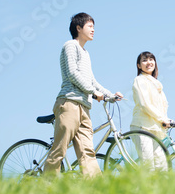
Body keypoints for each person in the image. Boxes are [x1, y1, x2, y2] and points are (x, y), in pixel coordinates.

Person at [44, 12, 123, 178]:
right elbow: (73, 74)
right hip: (69, 103)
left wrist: (109, 95)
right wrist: (94, 93)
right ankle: (47, 187)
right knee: (60, 149)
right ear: (78, 28)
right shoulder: (70, 46)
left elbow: (92, 81)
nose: (93, 30)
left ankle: (97, 191)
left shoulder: (86, 53)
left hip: (85, 108)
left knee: (88, 152)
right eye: (90, 26)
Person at [130, 51, 173, 171]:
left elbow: (162, 108)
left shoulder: (156, 84)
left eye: (151, 59)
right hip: (142, 127)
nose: (149, 62)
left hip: (156, 129)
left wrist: (167, 120)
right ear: (139, 65)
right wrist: (163, 119)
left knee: (162, 167)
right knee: (148, 167)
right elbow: (145, 104)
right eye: (144, 60)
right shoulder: (139, 80)